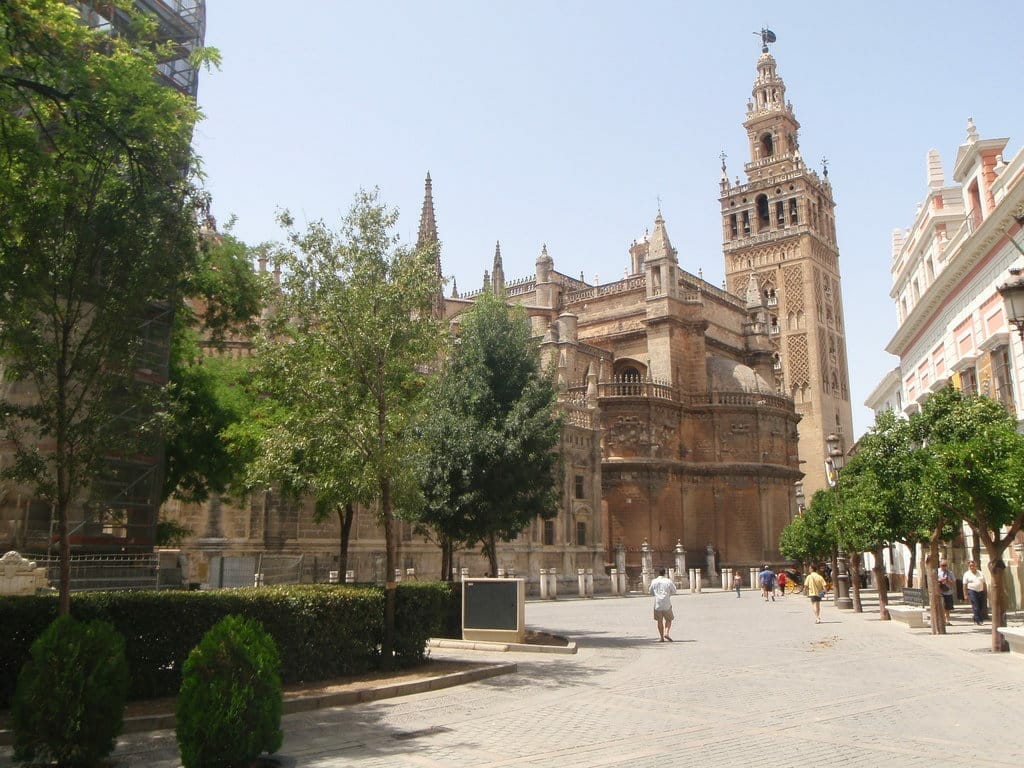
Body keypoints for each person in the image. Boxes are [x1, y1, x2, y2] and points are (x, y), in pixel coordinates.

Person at [649, 568, 678, 642]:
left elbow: (651, 592)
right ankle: (666, 632)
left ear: (658, 573)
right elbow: (674, 591)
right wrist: (668, 594)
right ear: (665, 573)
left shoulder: (654, 581)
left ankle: (661, 637)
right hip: (667, 603)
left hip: (657, 603)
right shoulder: (668, 581)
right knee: (669, 619)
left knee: (659, 621)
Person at [962, 560, 987, 625]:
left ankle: (975, 618)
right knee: (976, 605)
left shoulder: (980, 573)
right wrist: (965, 594)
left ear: (975, 566)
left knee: (981, 606)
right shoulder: (966, 574)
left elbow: (984, 583)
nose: (972, 567)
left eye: (973, 565)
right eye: (970, 566)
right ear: (969, 566)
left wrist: (985, 592)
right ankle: (979, 620)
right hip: (972, 590)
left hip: (980, 591)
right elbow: (964, 585)